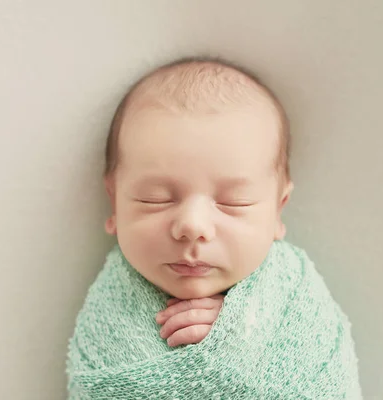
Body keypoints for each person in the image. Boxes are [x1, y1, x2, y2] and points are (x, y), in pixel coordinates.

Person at [67, 57, 362, 399]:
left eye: (233, 202)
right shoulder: (109, 315)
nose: (192, 226)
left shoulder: (292, 296)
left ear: (278, 212)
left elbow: (324, 382)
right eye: (155, 199)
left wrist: (237, 333)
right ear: (114, 204)